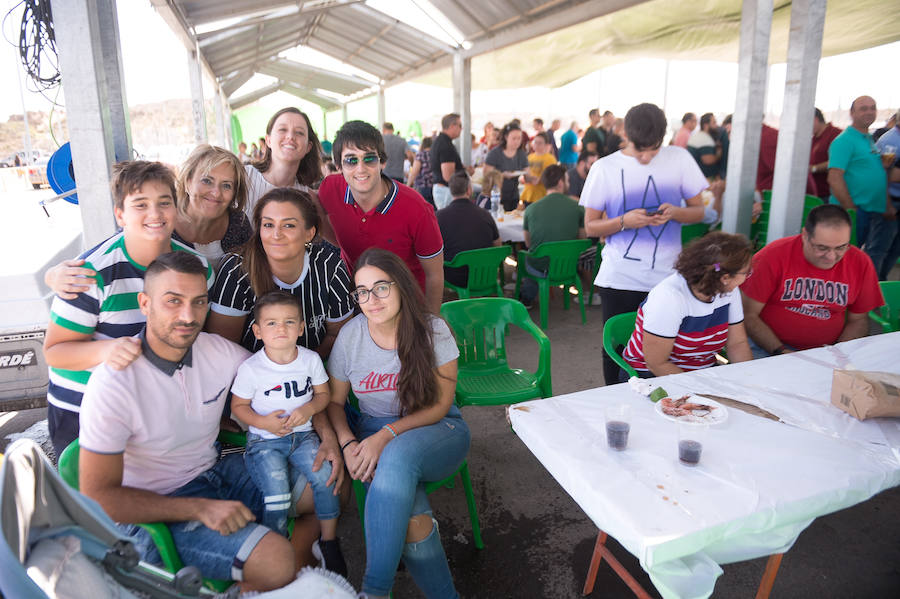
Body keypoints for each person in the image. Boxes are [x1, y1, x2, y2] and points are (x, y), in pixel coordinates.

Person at [78, 252, 339, 590]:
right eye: (173, 301)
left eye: (198, 302)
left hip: (213, 474)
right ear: (145, 303)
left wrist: (328, 437)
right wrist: (200, 509)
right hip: (153, 509)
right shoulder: (114, 383)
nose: (188, 315)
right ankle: (271, 576)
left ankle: (291, 584)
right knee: (274, 559)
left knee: (330, 485)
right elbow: (98, 496)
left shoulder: (216, 350)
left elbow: (293, 384)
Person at [42, 161, 212, 458]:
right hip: (82, 410)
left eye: (164, 203)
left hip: (151, 409)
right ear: (120, 214)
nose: (155, 214)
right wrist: (106, 351)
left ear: (176, 208)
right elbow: (55, 352)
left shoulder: (199, 268)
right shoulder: (90, 274)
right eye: (140, 205)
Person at [326, 248, 469, 599]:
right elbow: (333, 402)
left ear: (401, 286)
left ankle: (374, 591)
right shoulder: (351, 337)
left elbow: (439, 405)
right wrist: (347, 442)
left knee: (397, 455)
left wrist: (385, 436)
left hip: (439, 430)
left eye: (381, 288)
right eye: (361, 292)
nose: (371, 299)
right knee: (413, 508)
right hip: (375, 432)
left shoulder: (432, 330)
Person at [580, 102, 707, 385]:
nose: (647, 157)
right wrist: (624, 221)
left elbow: (699, 212)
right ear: (626, 135)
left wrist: (675, 212)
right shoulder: (605, 167)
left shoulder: (680, 158)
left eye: (654, 149)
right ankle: (614, 402)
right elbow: (590, 226)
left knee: (665, 350)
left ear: (664, 138)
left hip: (668, 278)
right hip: (620, 279)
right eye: (640, 150)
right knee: (617, 349)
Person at [230, 291, 345, 575]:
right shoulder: (252, 368)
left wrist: (308, 410)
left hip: (304, 436)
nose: (281, 329)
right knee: (277, 494)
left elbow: (322, 395)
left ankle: (329, 541)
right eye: (271, 323)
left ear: (301, 327)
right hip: (265, 442)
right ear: (257, 330)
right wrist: (263, 422)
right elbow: (239, 406)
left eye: (289, 322)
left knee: (325, 477)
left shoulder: (309, 361)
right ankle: (277, 546)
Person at [208, 188, 354, 357]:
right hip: (250, 374)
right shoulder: (236, 269)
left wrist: (302, 368)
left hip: (316, 368)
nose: (276, 235)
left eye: (288, 225)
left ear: (309, 233)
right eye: (268, 225)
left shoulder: (330, 265)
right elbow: (224, 348)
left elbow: (338, 335)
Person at [318, 120, 445, 314]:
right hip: (359, 303)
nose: (361, 168)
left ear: (382, 162)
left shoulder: (417, 208)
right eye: (351, 160)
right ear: (338, 166)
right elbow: (318, 217)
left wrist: (431, 323)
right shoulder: (329, 190)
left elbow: (434, 275)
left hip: (407, 307)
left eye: (369, 159)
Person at [740, 204, 884, 358]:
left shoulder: (860, 262)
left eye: (841, 247)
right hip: (769, 347)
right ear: (805, 235)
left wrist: (838, 355)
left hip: (829, 350)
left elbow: (858, 320)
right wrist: (781, 351)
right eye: (822, 248)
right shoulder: (772, 256)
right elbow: (748, 315)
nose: (831, 256)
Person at [622, 232, 753, 380]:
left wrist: (747, 378)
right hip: (651, 375)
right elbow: (657, 363)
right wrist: (703, 390)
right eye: (746, 272)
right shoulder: (669, 297)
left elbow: (737, 344)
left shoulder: (729, 290)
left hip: (701, 371)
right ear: (725, 278)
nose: (748, 276)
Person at [828, 95, 895, 274]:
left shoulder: (868, 139)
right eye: (863, 108)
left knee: (857, 258)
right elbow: (834, 177)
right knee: (843, 261)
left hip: (871, 210)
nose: (869, 112)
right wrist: (851, 209)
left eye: (872, 108)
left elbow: (870, 172)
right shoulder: (844, 141)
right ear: (852, 113)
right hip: (854, 212)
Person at [173, 144, 252, 269]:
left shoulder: (238, 223)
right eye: (207, 181)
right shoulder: (165, 223)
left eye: (226, 185)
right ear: (188, 182)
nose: (216, 193)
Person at [520, 165, 586, 308]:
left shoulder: (531, 209)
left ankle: (526, 298)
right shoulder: (578, 208)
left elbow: (528, 242)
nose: (569, 183)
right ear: (561, 183)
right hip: (568, 265)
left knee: (528, 256)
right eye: (567, 180)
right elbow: (582, 239)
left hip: (540, 266)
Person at [245, 108, 324, 222]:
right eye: (282, 129)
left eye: (299, 132)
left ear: (308, 147)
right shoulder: (242, 177)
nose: (290, 136)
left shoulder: (308, 199)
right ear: (268, 140)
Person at [436, 171, 501, 288]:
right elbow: (498, 245)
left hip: (454, 276)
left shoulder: (439, 217)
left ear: (451, 191)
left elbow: (433, 250)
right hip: (485, 275)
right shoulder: (486, 215)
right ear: (469, 190)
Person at [874, 109, 900, 279]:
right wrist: (886, 204)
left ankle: (881, 284)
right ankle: (873, 287)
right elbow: (881, 174)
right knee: (880, 248)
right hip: (889, 202)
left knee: (895, 249)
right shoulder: (890, 140)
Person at [483, 122, 529, 212]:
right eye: (514, 138)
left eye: (519, 138)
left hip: (514, 196)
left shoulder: (521, 154)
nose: (516, 141)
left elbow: (528, 175)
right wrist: (502, 175)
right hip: (496, 196)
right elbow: (487, 176)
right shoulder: (495, 153)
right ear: (506, 137)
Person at [430, 113, 465, 210]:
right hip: (447, 191)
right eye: (460, 125)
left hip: (443, 189)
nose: (461, 129)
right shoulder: (445, 145)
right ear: (452, 126)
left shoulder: (441, 141)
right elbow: (448, 176)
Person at [808, 108, 842, 200]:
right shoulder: (813, 139)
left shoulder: (836, 134)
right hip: (816, 194)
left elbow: (839, 161)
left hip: (829, 194)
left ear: (815, 120)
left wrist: (813, 168)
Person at [520, 132, 557, 205]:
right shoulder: (529, 157)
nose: (537, 145)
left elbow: (552, 177)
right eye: (535, 142)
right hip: (528, 194)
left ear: (546, 145)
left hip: (541, 195)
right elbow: (524, 173)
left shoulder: (550, 159)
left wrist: (539, 179)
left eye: (540, 143)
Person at [687, 113, 721, 179]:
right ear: (706, 125)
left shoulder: (699, 135)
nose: (716, 125)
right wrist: (719, 152)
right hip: (704, 179)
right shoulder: (704, 139)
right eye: (714, 123)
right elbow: (708, 160)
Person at [407, 135, 435, 208]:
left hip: (423, 187)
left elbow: (414, 172)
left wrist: (408, 185)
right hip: (434, 187)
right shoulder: (435, 154)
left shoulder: (421, 154)